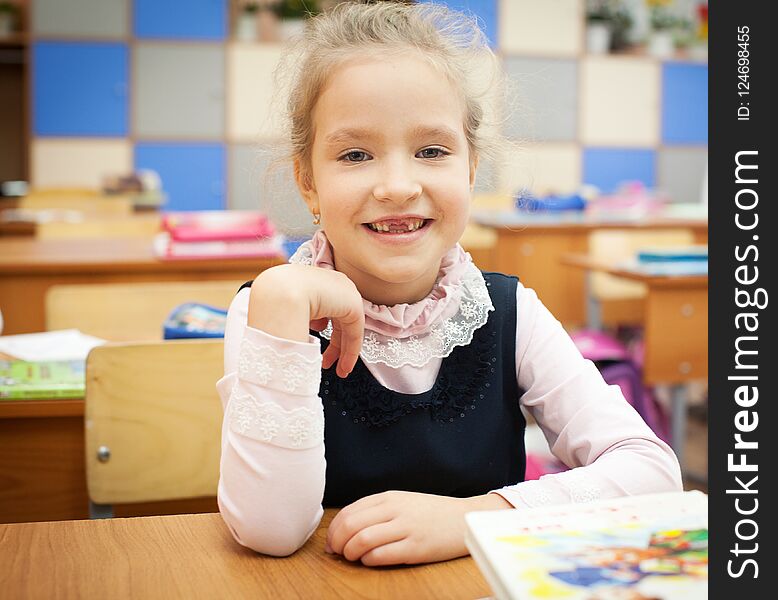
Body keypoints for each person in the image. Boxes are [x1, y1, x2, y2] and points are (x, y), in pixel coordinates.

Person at [216, 0, 682, 566]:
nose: (396, 185)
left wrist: (473, 519)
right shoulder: (270, 311)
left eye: (431, 151)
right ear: (308, 183)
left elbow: (651, 471)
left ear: (469, 168)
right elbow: (272, 531)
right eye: (356, 154)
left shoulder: (509, 312)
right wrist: (279, 310)